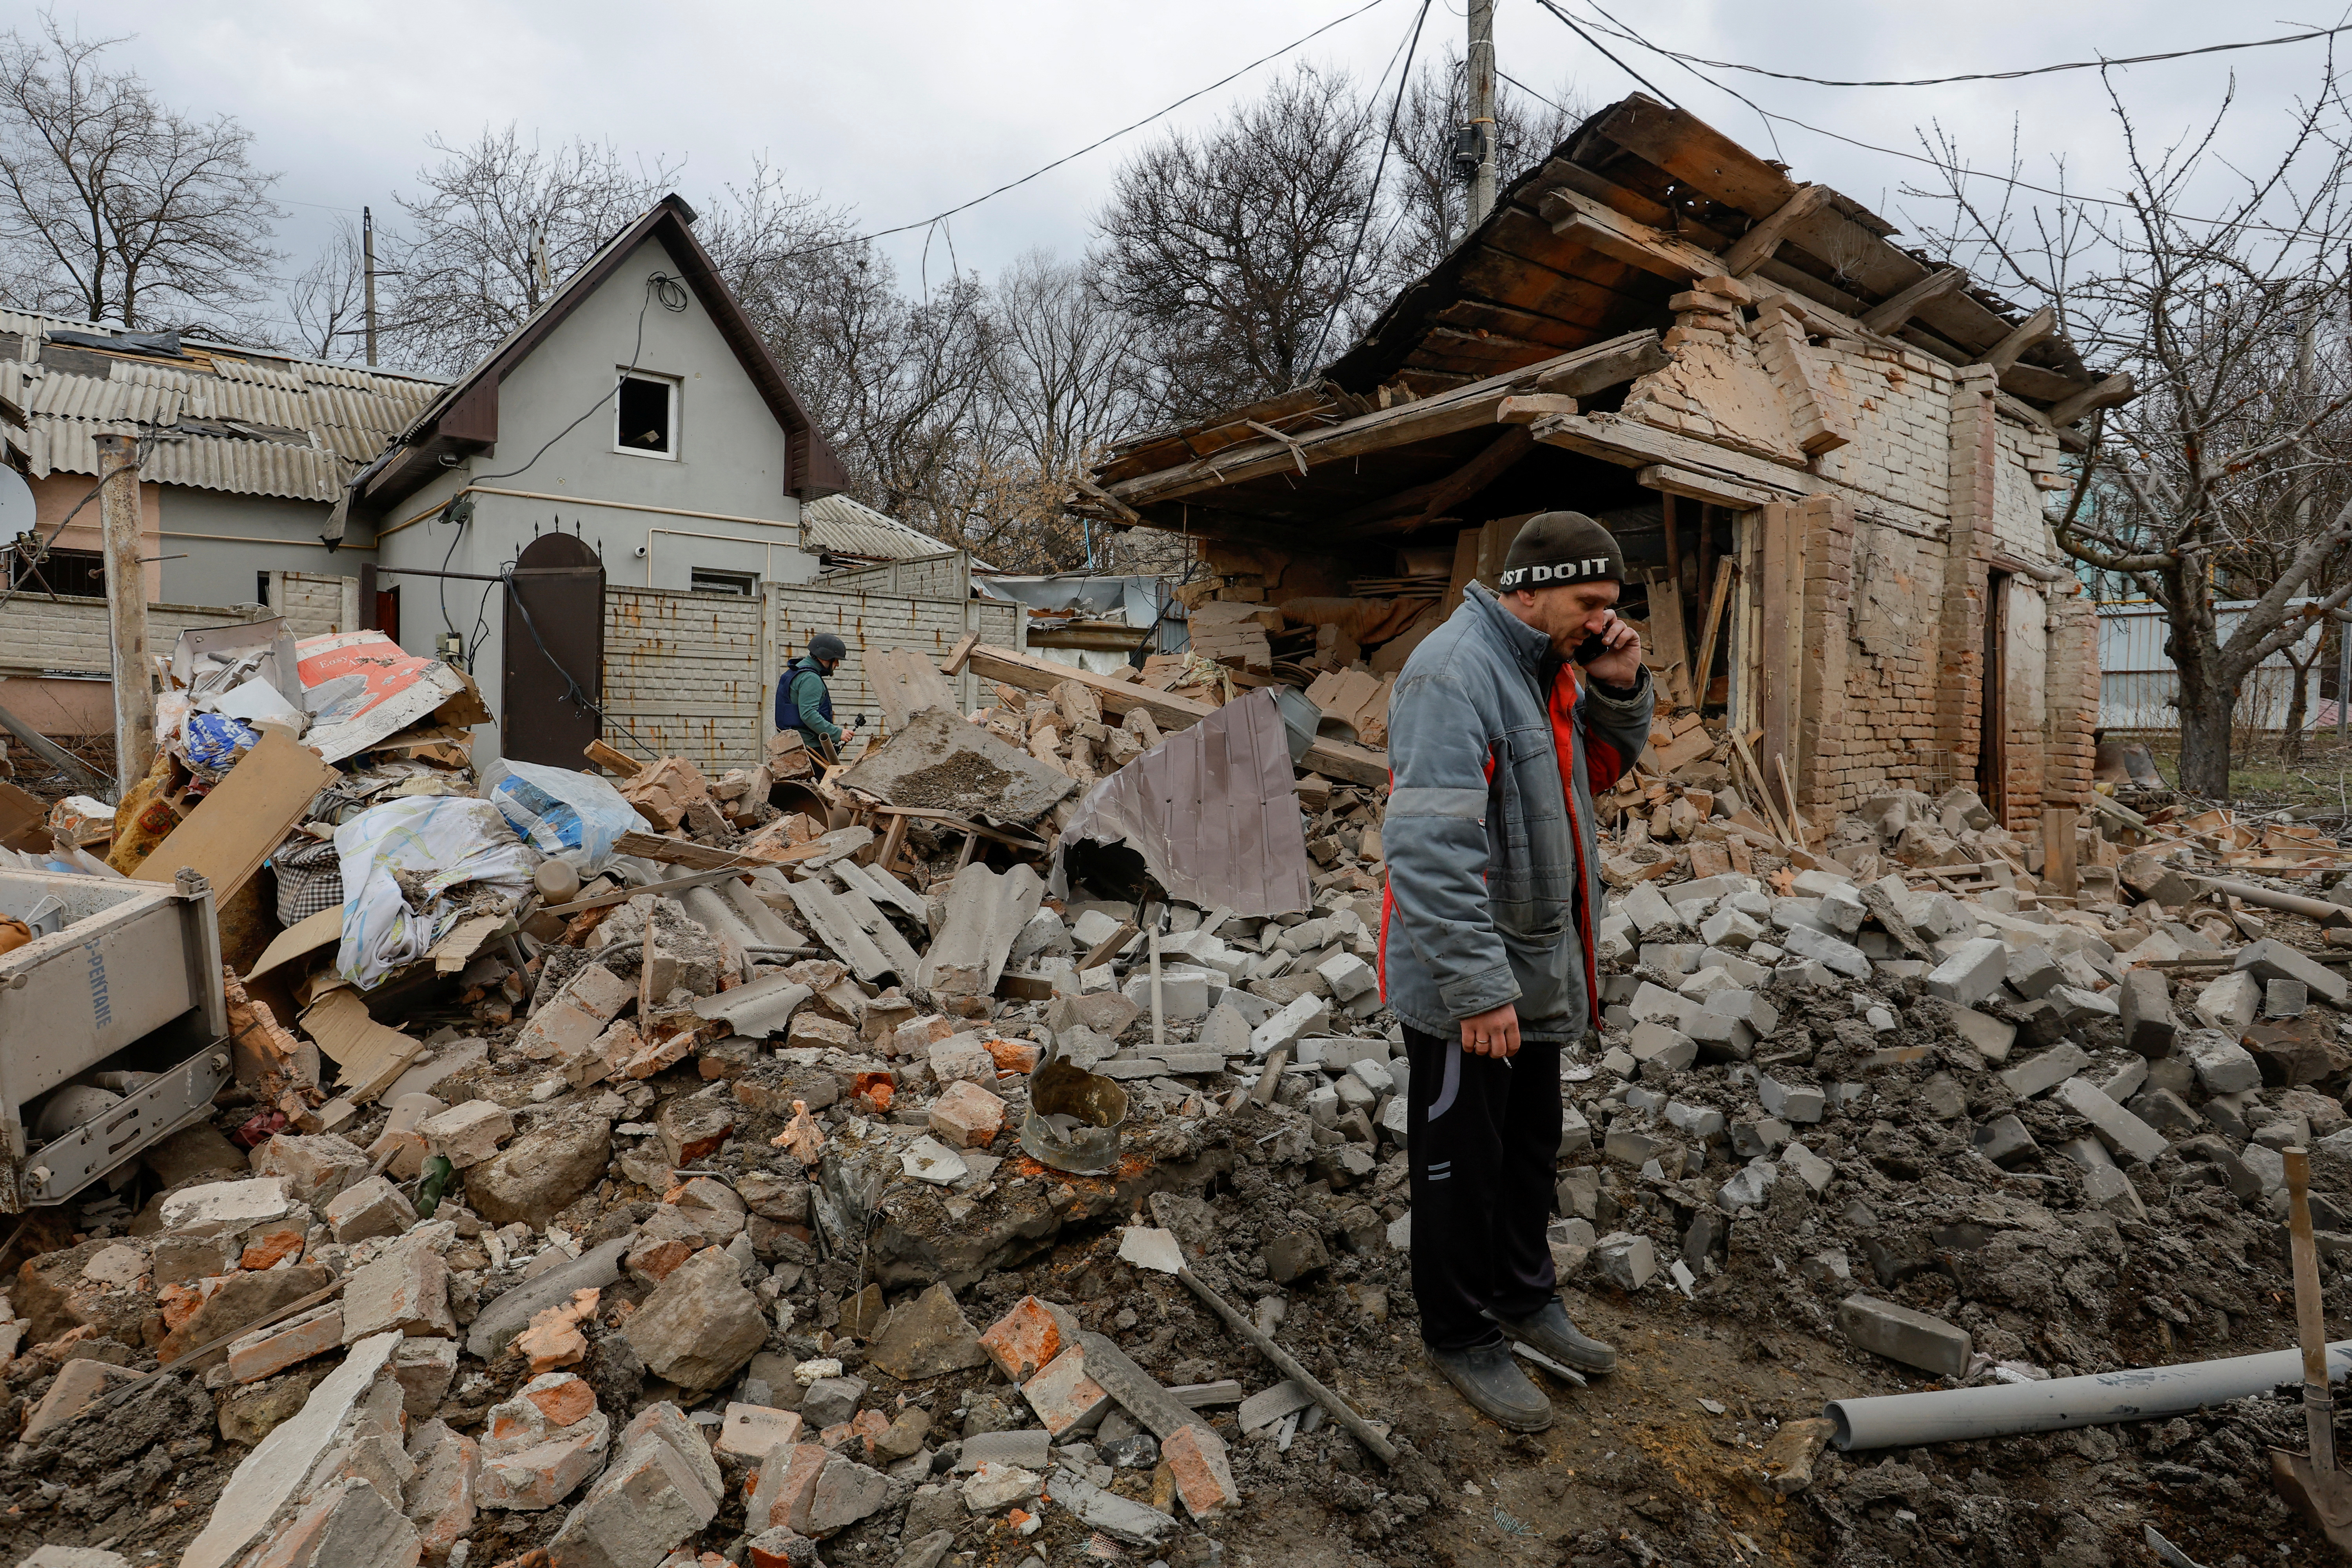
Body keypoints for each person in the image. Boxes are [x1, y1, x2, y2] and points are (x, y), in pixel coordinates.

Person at [1379, 510, 1655, 1432]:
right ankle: (1459, 1333)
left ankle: (1524, 1297)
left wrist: (1620, 686)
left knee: (1530, 1151)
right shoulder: (1454, 673)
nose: (1600, 622)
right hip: (1474, 983)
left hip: (1537, 965)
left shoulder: (1551, 671)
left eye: (1611, 608)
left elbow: (1595, 779)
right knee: (1462, 1164)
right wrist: (1476, 987)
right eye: (1589, 604)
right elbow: (1428, 846)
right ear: (1529, 590)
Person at [776, 632, 848, 755]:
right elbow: (809, 714)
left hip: (794, 746)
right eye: (836, 660)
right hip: (810, 749)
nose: (837, 664)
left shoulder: (797, 670)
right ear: (827, 657)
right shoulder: (811, 678)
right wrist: (837, 733)